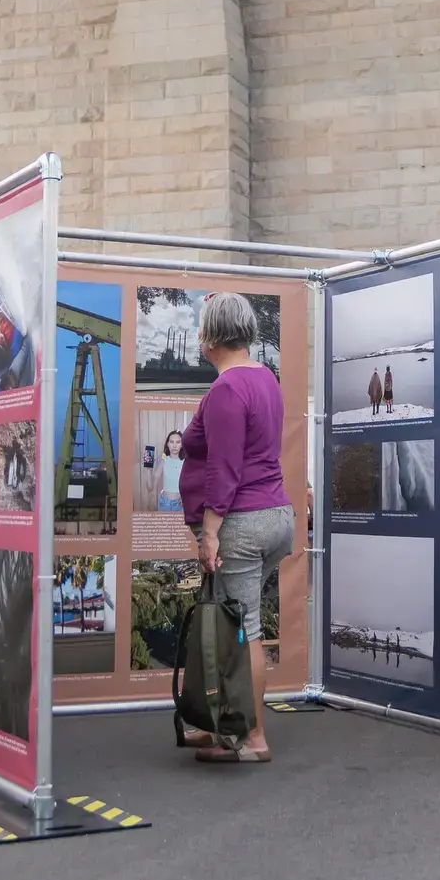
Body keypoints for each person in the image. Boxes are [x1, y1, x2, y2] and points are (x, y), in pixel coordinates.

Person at [180, 291, 294, 764]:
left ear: (209, 337)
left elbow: (224, 469)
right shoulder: (265, 378)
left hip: (242, 524)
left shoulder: (227, 389)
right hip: (275, 516)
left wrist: (209, 534)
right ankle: (220, 723)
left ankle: (254, 739)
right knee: (233, 626)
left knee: (243, 628)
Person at [157, 429, 184, 513]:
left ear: (182, 444)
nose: (174, 445)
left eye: (178, 442)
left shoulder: (186, 463)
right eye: (172, 442)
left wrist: (185, 496)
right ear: (168, 444)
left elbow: (193, 483)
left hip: (181, 504)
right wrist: (148, 470)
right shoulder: (163, 461)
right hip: (164, 503)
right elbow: (150, 486)